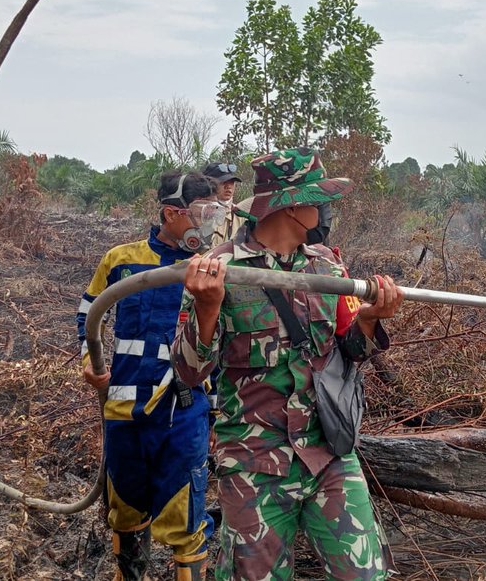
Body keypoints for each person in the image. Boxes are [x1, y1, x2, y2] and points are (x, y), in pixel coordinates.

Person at [174, 148, 405, 580]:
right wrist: (207, 308)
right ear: (292, 206)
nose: (324, 208)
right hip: (253, 461)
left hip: (329, 453)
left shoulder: (328, 267)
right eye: (318, 199)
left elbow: (350, 349)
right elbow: (190, 373)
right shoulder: (217, 270)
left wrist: (372, 318)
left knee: (366, 575)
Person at [78, 172, 225, 581]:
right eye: (200, 213)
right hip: (124, 411)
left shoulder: (214, 269)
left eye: (214, 213)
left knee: (185, 520)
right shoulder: (122, 260)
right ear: (172, 214)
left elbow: (225, 348)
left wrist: (216, 415)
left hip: (183, 412)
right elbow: (88, 313)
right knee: (124, 510)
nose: (207, 224)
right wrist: (91, 360)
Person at [202, 161, 246, 247]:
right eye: (223, 182)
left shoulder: (241, 215)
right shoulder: (197, 212)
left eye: (232, 182)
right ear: (209, 185)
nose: (228, 186)